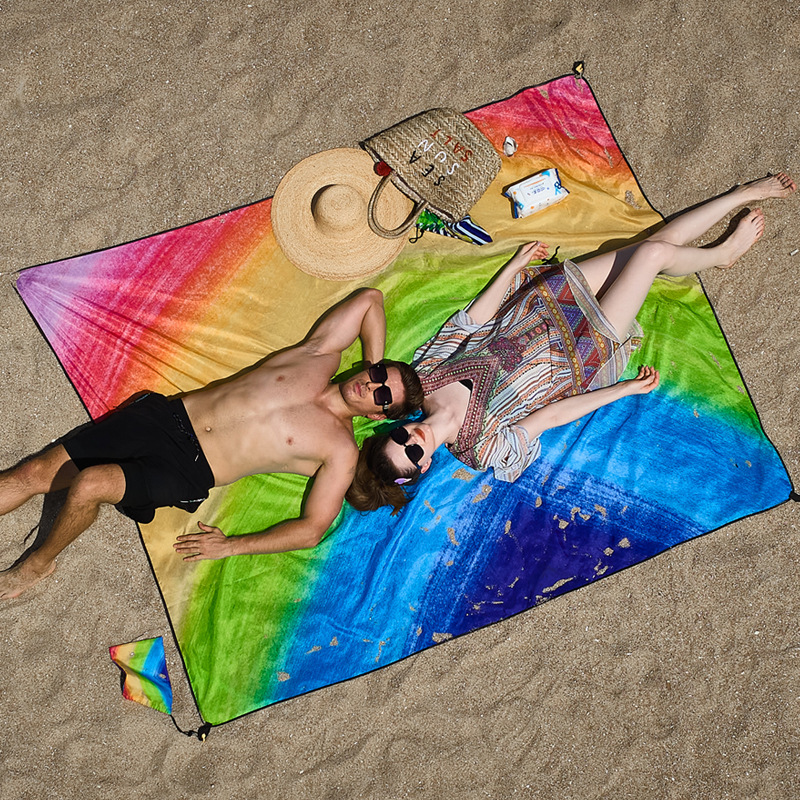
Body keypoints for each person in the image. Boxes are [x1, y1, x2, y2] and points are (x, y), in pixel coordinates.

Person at [347, 173, 797, 512]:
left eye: (399, 436)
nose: (413, 438)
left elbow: (470, 321)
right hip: (581, 353)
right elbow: (551, 416)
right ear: (424, 465)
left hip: (541, 304)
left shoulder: (424, 378)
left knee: (652, 244)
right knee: (651, 254)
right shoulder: (481, 449)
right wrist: (619, 390)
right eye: (413, 453)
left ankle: (739, 197)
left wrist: (513, 267)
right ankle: (722, 251)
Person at [0, 288, 424, 599]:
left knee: (89, 484)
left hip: (187, 470)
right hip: (164, 419)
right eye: (378, 376)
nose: (373, 387)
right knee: (33, 473)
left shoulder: (340, 450)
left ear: (378, 416)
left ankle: (37, 565)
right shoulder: (318, 355)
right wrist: (377, 363)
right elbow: (371, 300)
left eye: (383, 397)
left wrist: (232, 546)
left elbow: (312, 530)